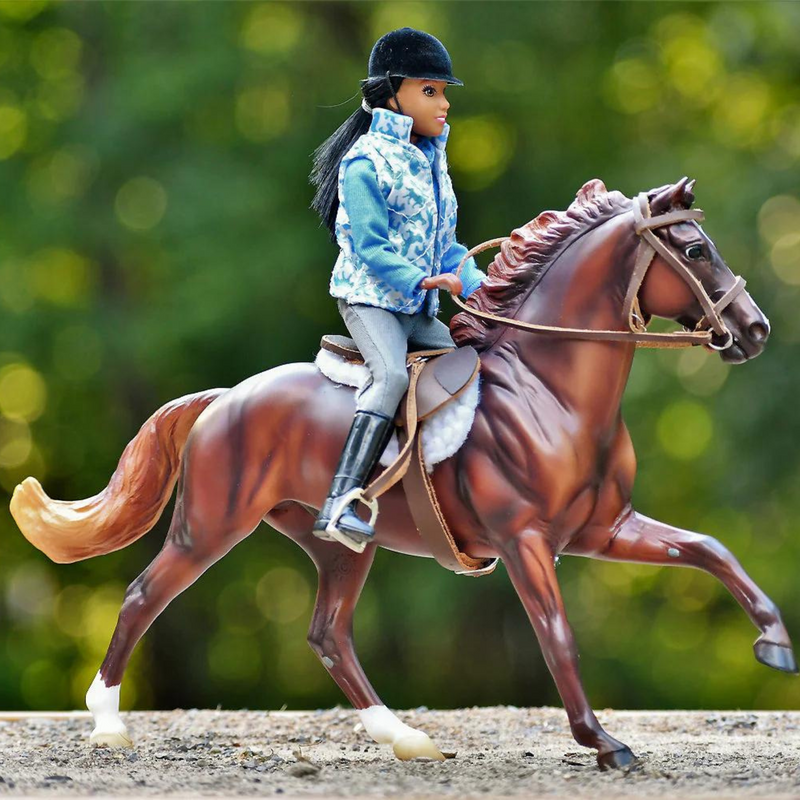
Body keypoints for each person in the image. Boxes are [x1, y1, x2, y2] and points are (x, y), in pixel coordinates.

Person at [308, 27, 486, 549]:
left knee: (473, 369)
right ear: (391, 93)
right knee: (388, 378)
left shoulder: (432, 160)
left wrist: (480, 287)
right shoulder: (365, 161)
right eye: (430, 91)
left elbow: (448, 245)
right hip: (370, 299)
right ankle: (342, 500)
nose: (444, 103)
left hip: (416, 306)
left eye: (444, 92)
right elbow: (369, 244)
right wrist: (420, 279)